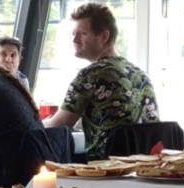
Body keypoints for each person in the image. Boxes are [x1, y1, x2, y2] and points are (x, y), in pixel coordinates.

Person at [43, 3, 159, 160]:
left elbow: (60, 124)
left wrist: (34, 123)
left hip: (106, 171)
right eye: (73, 34)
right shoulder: (141, 75)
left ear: (104, 36)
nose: (75, 40)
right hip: (144, 170)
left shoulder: (91, 75)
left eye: (82, 34)